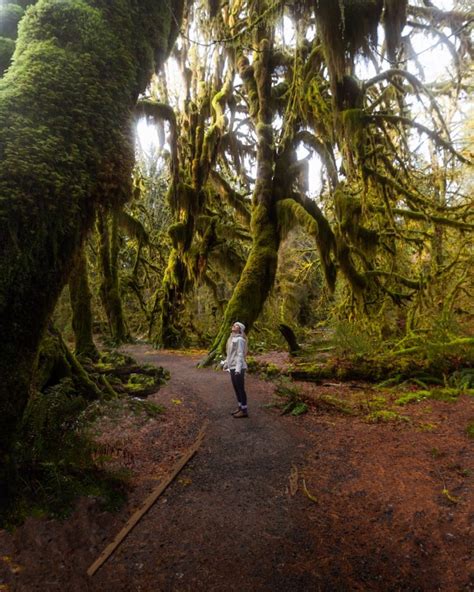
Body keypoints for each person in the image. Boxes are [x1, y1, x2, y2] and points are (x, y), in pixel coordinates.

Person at [222, 321, 249, 418]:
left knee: (240, 388)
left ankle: (244, 410)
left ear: (240, 329)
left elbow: (240, 355)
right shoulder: (231, 338)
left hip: (239, 368)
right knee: (236, 388)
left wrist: (238, 369)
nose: (234, 325)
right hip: (232, 367)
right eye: (234, 324)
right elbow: (230, 354)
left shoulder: (240, 340)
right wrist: (226, 364)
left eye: (236, 325)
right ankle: (240, 407)